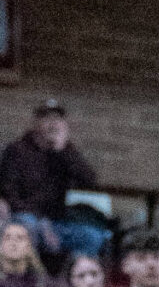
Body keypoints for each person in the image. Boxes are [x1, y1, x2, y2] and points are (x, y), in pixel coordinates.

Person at [0, 100, 102, 259]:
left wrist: (64, 151)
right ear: (36, 123)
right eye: (47, 119)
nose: (53, 124)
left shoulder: (65, 152)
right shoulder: (17, 151)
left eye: (57, 119)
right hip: (24, 219)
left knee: (91, 236)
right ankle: (28, 280)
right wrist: (42, 222)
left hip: (57, 223)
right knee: (28, 226)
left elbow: (90, 181)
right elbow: (9, 194)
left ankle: (72, 278)